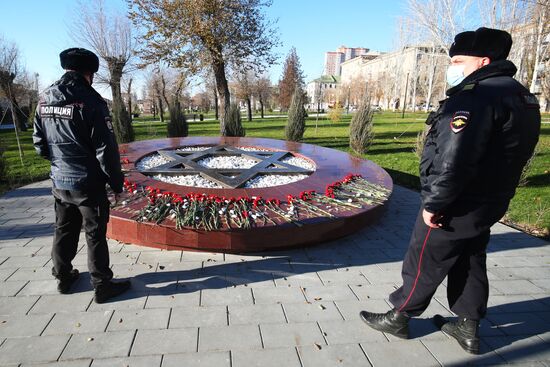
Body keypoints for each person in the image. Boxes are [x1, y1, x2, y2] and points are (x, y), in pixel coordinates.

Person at [359, 27, 540, 354]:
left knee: (424, 255)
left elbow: (456, 160)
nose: (452, 65)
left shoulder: (475, 98)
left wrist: (435, 203)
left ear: (483, 60)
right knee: (469, 257)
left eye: (458, 60)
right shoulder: (521, 96)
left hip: (456, 202)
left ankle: (399, 316)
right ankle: (468, 326)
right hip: (491, 200)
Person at [33, 48, 131, 303]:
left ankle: (64, 277)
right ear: (90, 73)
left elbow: (39, 143)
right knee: (95, 234)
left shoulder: (44, 98)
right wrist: (116, 183)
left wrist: (58, 164)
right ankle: (102, 286)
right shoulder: (92, 102)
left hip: (60, 181)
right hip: (88, 183)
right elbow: (105, 149)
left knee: (64, 229)